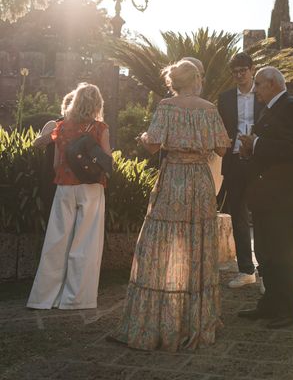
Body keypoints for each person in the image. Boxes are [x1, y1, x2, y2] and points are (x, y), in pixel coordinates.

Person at [112, 59, 230, 351]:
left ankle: (159, 320)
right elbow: (222, 147)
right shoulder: (209, 108)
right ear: (197, 79)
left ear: (174, 82)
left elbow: (153, 145)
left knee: (162, 244)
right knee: (196, 245)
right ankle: (195, 321)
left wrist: (144, 137)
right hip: (200, 182)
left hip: (173, 177)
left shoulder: (166, 106)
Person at [27, 84, 111, 310]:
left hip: (64, 186)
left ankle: (43, 298)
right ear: (97, 104)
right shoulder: (101, 128)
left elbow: (55, 164)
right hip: (91, 188)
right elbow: (107, 162)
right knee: (86, 242)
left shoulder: (61, 128)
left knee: (56, 242)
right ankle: (76, 299)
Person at [237, 66, 293, 329]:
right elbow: (269, 145)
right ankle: (269, 304)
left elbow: (292, 148)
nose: (254, 89)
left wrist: (255, 144)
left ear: (273, 83)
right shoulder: (270, 108)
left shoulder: (291, 106)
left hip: (281, 192)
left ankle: (289, 310)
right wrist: (249, 150)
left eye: (258, 84)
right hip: (265, 190)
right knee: (265, 251)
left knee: (282, 253)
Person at [217, 52, 263, 288]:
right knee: (238, 216)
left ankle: (265, 271)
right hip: (234, 160)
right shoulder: (224, 98)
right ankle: (246, 270)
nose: (238, 75)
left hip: (260, 160)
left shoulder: (264, 94)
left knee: (264, 215)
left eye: (242, 70)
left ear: (252, 69)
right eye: (235, 72)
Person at [33, 92, 75, 223]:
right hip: (50, 175)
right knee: (51, 212)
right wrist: (56, 133)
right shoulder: (53, 124)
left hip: (72, 179)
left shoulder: (83, 128)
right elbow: (37, 144)